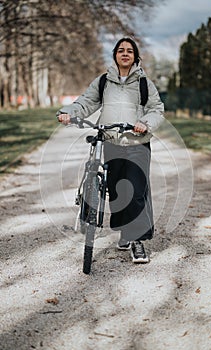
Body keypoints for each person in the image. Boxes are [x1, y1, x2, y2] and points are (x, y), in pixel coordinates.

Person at [57, 37, 164, 263]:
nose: (125, 54)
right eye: (121, 50)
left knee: (136, 191)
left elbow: (157, 109)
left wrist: (145, 122)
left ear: (135, 56)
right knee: (117, 193)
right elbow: (86, 102)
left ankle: (137, 242)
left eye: (130, 51)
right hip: (111, 142)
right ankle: (126, 233)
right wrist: (68, 112)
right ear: (115, 54)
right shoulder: (104, 81)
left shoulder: (145, 83)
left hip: (137, 143)